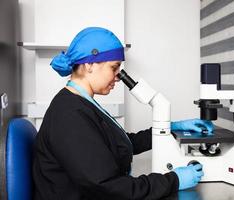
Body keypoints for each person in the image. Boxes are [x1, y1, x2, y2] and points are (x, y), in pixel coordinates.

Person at [33, 27, 214, 200]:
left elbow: (119, 144)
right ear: (89, 64)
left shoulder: (79, 103)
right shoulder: (69, 114)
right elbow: (106, 186)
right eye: (114, 67)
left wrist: (171, 128)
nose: (118, 77)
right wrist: (173, 180)